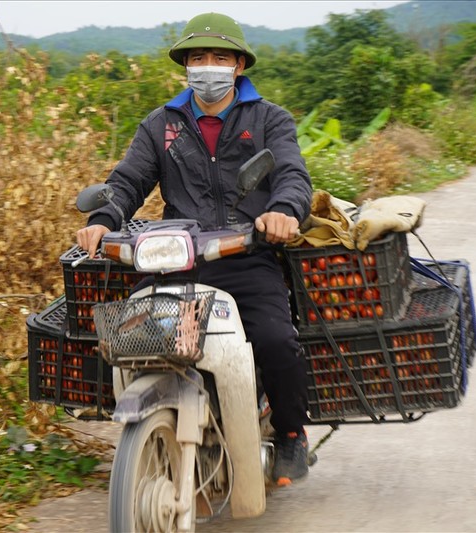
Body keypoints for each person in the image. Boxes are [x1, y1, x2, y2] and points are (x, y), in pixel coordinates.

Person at [76, 12, 313, 485]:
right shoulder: (160, 124)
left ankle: (290, 433)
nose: (208, 67)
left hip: (245, 254)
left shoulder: (269, 119)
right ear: (185, 66)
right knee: (126, 341)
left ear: (239, 65)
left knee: (275, 341)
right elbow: (128, 182)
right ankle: (152, 428)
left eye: (219, 57)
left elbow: (291, 173)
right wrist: (102, 220)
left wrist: (283, 210)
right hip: (177, 261)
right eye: (198, 58)